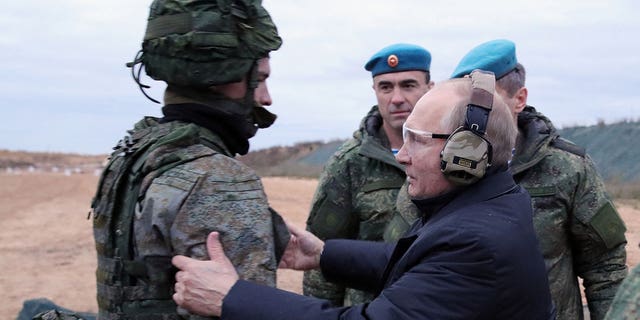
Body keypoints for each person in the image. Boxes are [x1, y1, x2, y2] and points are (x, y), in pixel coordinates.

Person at [171, 71, 557, 320]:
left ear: (466, 155)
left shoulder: (475, 242)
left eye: (416, 141)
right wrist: (323, 254)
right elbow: (419, 259)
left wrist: (231, 297)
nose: (401, 155)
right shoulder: (493, 204)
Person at [89, 1, 289, 319]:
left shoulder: (133, 152)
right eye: (260, 79)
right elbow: (249, 308)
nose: (266, 98)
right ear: (225, 78)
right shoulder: (218, 178)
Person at [445, 39, 627, 320]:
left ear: (519, 99)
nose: (475, 116)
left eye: (485, 101)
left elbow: (605, 268)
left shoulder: (567, 167)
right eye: (467, 103)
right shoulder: (441, 167)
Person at [304, 43, 433, 306]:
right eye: (386, 87)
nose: (396, 98)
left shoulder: (449, 155)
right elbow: (321, 251)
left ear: (429, 88)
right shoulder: (350, 163)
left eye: (408, 85)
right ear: (375, 91)